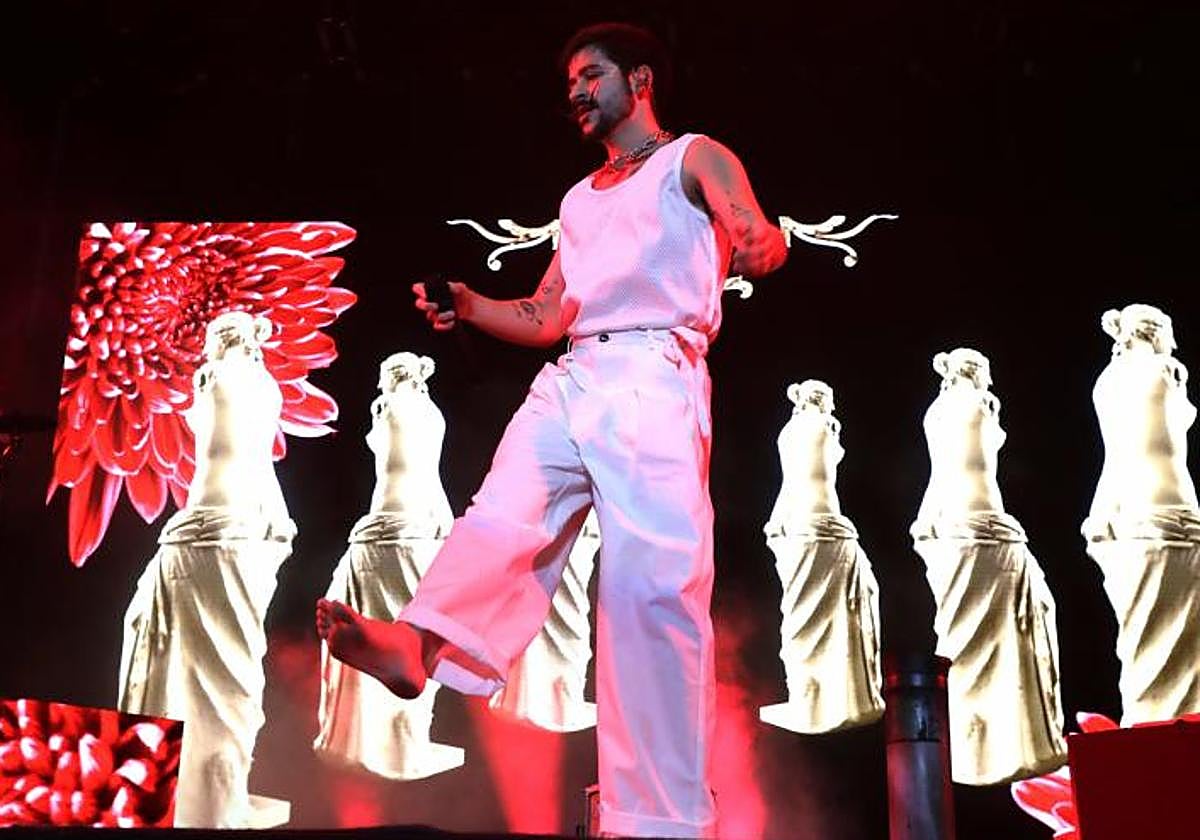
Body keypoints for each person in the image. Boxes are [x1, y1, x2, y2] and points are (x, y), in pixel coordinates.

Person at [317, 21, 787, 837]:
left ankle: (659, 819)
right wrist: (468, 305)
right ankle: (416, 650)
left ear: (639, 79)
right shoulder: (578, 199)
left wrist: (755, 240)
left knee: (648, 598)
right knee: (502, 516)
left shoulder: (694, 156)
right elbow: (546, 313)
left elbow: (749, 222)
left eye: (591, 75)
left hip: (654, 372)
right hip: (574, 374)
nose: (575, 91)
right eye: (570, 79)